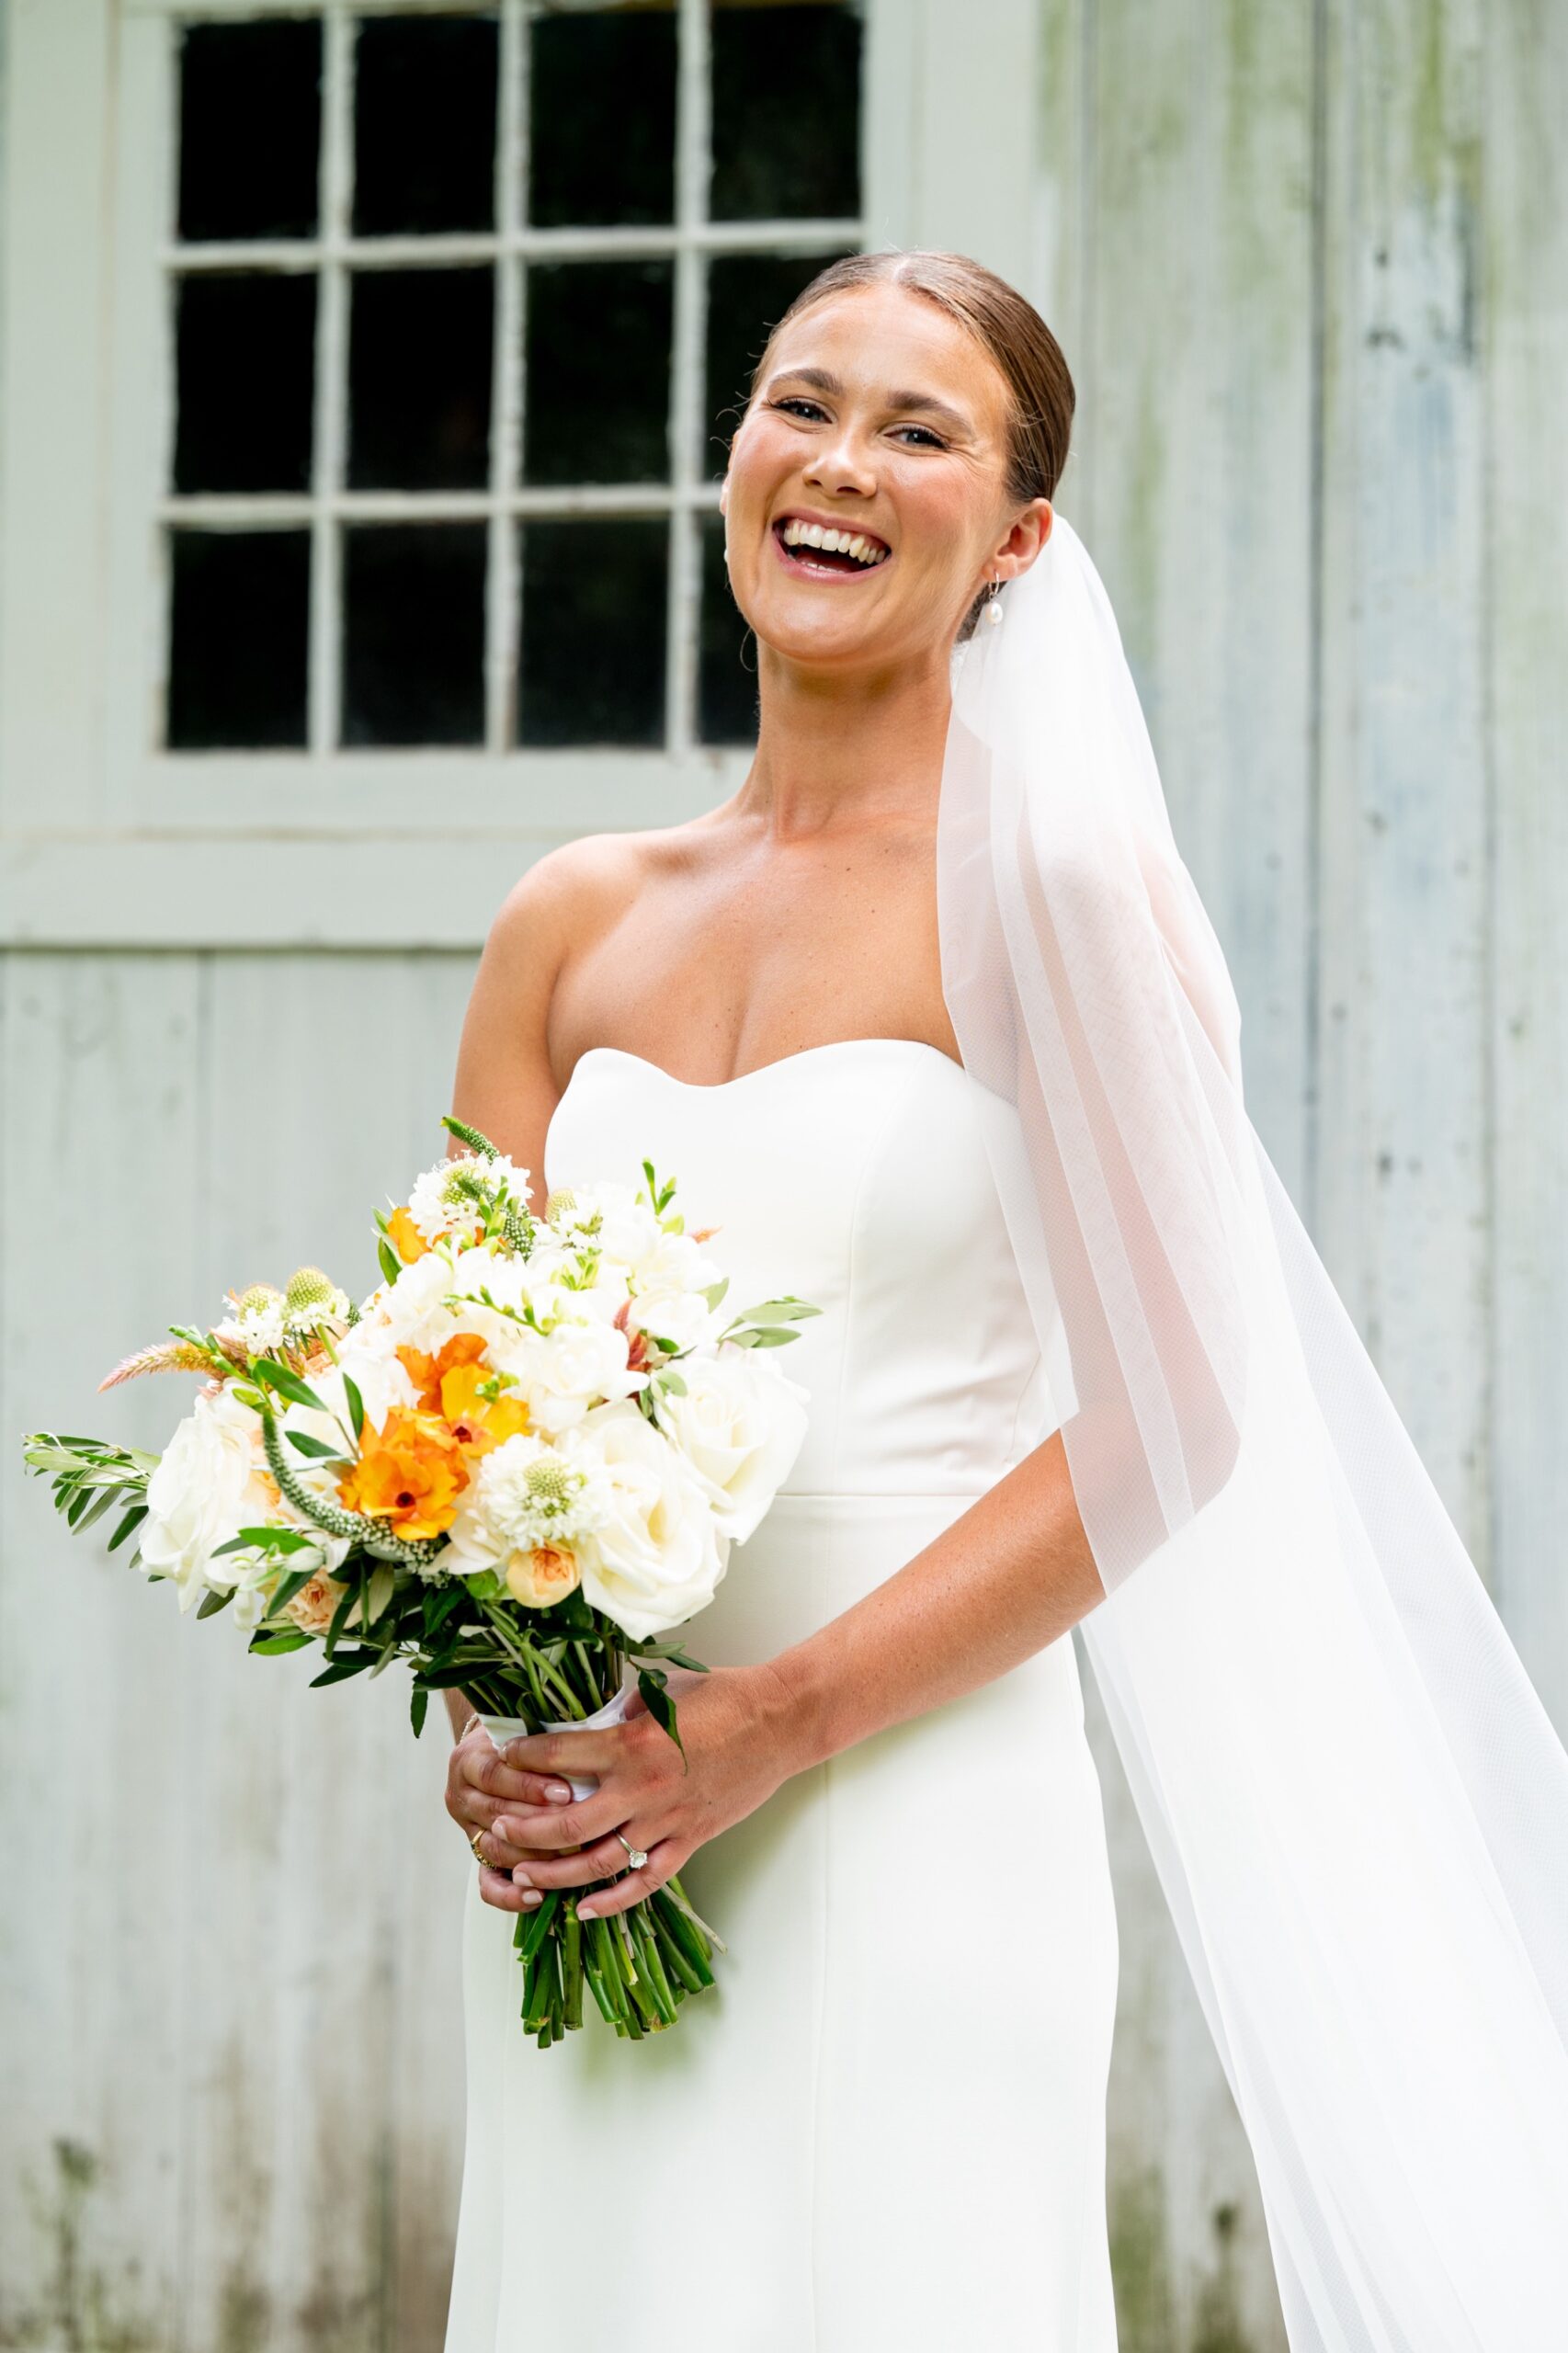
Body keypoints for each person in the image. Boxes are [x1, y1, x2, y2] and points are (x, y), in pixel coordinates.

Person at [438, 254, 1568, 2352]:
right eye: (800, 401)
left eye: (918, 430)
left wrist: (760, 1728)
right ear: (733, 455)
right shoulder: (567, 920)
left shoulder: (1054, 896)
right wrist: (494, 1718)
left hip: (908, 1828)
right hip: (604, 1840)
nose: (837, 464)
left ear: (1019, 539)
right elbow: (451, 1411)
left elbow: (1180, 1414)